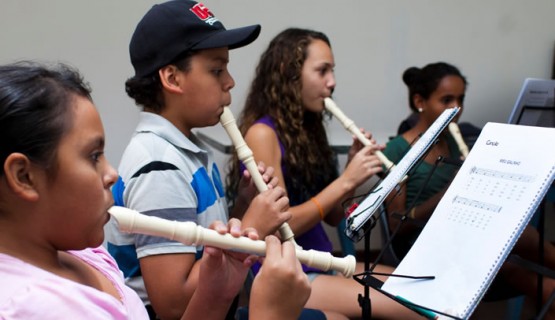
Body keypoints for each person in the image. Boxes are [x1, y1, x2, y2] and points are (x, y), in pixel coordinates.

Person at [0, 61, 310, 320]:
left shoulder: (82, 252)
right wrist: (270, 315)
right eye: (94, 156)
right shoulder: (33, 307)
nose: (112, 174)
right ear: (24, 176)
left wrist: (216, 292)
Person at [103, 1, 302, 319]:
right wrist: (253, 225)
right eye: (216, 70)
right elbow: (174, 305)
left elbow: (209, 245)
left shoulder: (187, 148)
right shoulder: (159, 166)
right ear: (172, 78)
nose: (230, 82)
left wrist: (243, 206)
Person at [226, 27, 422, 320]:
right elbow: (283, 225)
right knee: (414, 306)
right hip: (289, 270)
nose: (332, 82)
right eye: (322, 71)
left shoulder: (306, 130)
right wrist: (345, 182)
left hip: (323, 260)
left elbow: (332, 217)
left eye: (332, 71)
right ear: (287, 73)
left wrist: (351, 169)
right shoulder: (262, 134)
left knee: (423, 292)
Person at [383, 61, 555, 318]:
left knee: (541, 275)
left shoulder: (456, 140)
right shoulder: (398, 149)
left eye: (460, 99)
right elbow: (398, 224)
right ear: (420, 101)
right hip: (424, 245)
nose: (456, 109)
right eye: (446, 100)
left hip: (464, 235)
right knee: (520, 243)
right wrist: (450, 191)